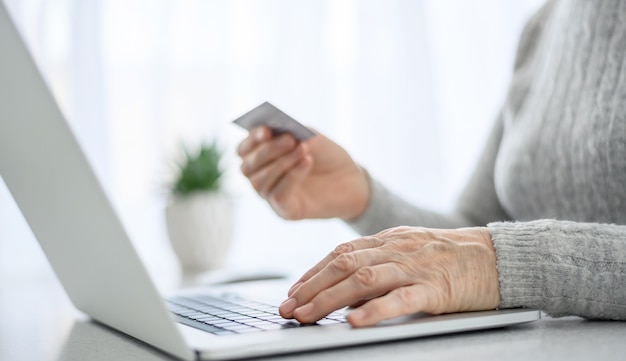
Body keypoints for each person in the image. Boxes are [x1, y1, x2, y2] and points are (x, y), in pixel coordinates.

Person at [237, 0, 626, 327]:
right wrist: (363, 200)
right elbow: (473, 232)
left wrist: (506, 263)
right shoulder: (546, 25)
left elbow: (490, 258)